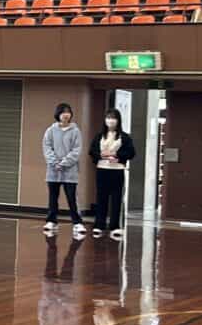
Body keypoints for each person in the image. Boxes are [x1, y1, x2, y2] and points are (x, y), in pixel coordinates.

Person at [88, 108, 135, 242]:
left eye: (113, 118)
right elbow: (92, 151)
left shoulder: (124, 137)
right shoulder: (99, 136)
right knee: (101, 198)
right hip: (102, 169)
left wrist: (117, 156)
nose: (110, 120)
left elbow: (131, 153)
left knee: (116, 198)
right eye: (108, 118)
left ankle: (115, 226)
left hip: (117, 170)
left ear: (118, 120)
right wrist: (101, 155)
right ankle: (99, 225)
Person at [43, 102, 85, 239]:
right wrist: (54, 162)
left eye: (68, 112)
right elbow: (47, 147)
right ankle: (51, 220)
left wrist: (64, 163)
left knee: (72, 197)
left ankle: (77, 223)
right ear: (58, 114)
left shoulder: (75, 131)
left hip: (70, 170)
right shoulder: (50, 130)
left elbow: (76, 150)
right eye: (63, 112)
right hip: (53, 170)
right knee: (53, 197)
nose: (65, 115)